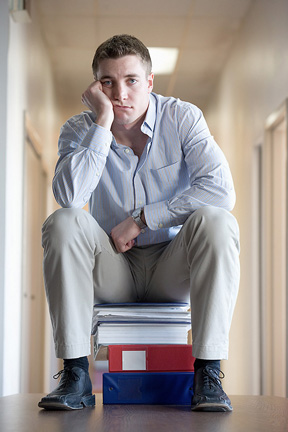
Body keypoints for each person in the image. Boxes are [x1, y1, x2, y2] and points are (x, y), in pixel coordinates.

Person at [38, 34, 240, 412]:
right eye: (107, 82)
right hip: (113, 267)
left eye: (131, 80)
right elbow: (69, 197)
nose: (120, 93)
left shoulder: (182, 118)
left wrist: (144, 218)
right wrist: (102, 123)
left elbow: (220, 191)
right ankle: (76, 374)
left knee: (218, 221)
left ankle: (208, 374)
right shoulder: (79, 128)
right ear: (95, 86)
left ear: (149, 82)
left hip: (171, 266)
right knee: (63, 222)